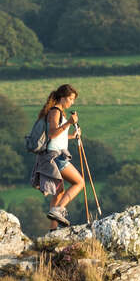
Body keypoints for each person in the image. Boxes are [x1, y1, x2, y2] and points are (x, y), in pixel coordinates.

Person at [29, 84, 83, 228]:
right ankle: (59, 210)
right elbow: (52, 133)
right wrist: (69, 123)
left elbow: (58, 137)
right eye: (70, 99)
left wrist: (72, 135)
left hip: (55, 153)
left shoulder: (59, 112)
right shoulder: (55, 112)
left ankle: (53, 230)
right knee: (79, 182)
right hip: (55, 156)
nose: (72, 102)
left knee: (59, 192)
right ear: (62, 98)